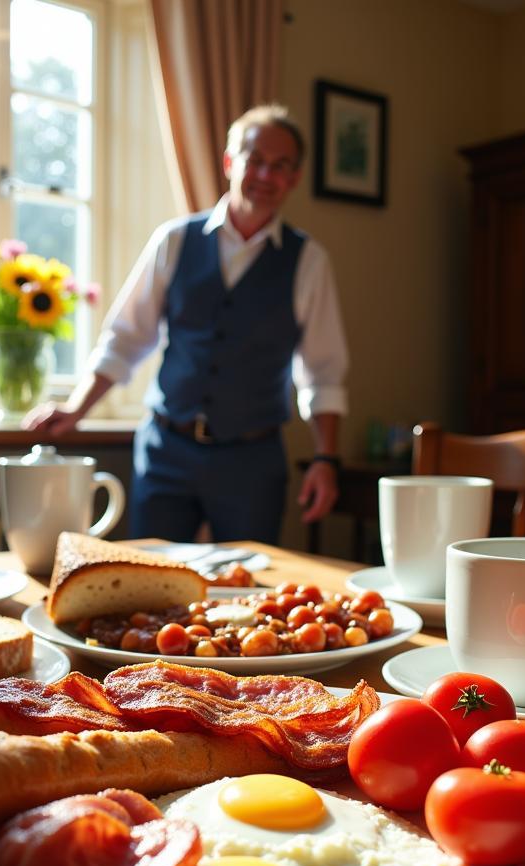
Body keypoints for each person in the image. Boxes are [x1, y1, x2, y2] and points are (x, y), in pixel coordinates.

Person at [22, 103, 349, 544]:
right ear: (231, 163)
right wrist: (76, 410)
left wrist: (327, 460)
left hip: (254, 458)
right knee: (150, 585)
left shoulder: (309, 261)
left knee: (251, 591)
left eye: (281, 166)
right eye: (255, 161)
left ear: (294, 178)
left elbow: (323, 373)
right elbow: (126, 338)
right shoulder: (174, 240)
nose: (266, 176)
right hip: (166, 450)